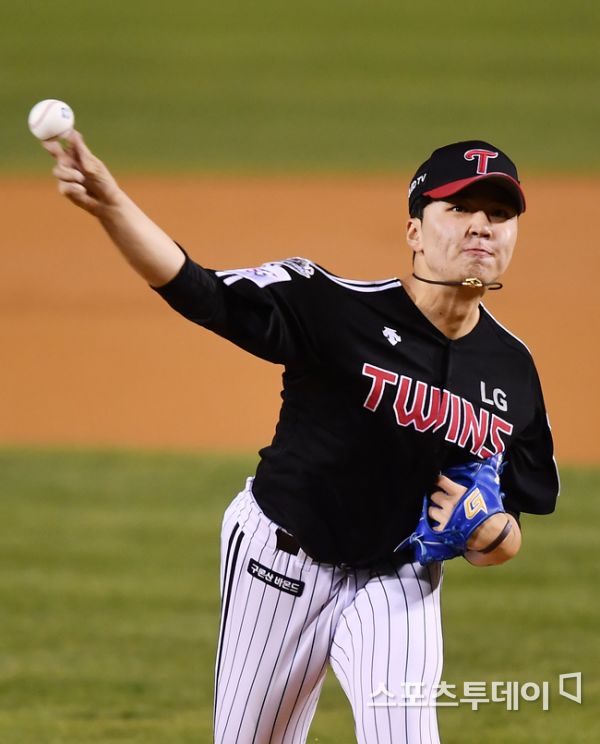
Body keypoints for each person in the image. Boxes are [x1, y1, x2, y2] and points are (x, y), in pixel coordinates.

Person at [43, 134, 558, 744]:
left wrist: (493, 535)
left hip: (396, 581)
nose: (481, 226)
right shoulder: (333, 308)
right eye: (458, 209)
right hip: (280, 563)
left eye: (498, 215)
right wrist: (112, 205)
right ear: (415, 231)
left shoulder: (513, 371)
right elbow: (200, 292)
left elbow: (515, 507)